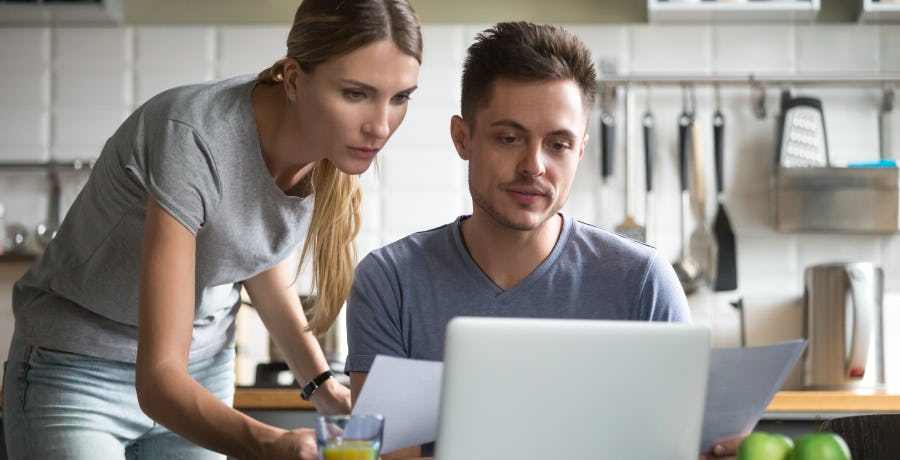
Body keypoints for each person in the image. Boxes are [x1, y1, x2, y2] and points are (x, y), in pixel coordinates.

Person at [2, 1, 421, 458]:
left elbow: (255, 259)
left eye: (400, 97)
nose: (380, 126)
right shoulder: (193, 136)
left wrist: (322, 386)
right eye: (356, 93)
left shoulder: (328, 148)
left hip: (201, 373)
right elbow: (160, 380)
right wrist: (271, 444)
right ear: (296, 79)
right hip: (77, 372)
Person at [343, 21, 739, 460]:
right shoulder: (391, 281)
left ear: (581, 151)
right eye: (509, 138)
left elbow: (675, 448)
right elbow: (393, 456)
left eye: (558, 145)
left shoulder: (643, 281)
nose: (534, 166)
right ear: (463, 137)